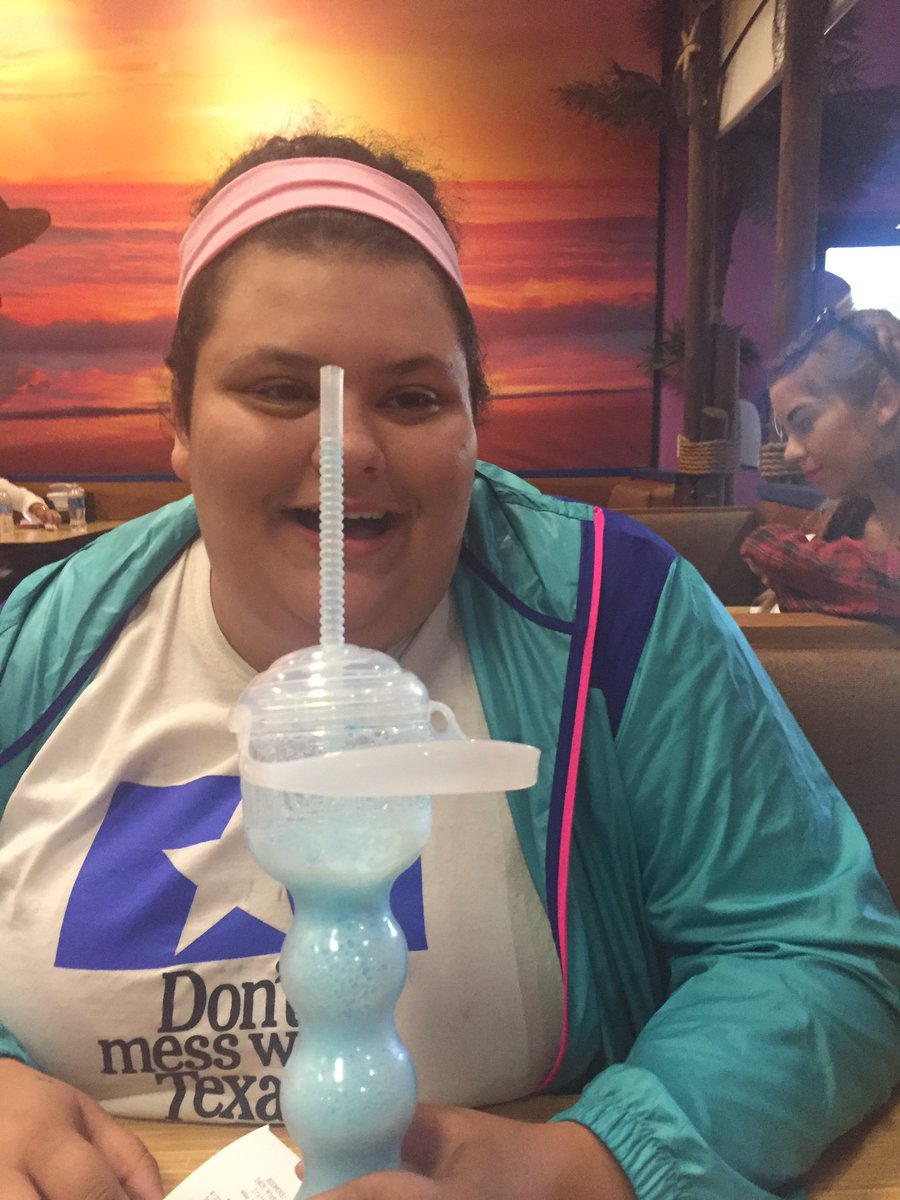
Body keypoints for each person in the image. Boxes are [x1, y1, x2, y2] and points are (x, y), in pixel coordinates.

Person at [0, 130, 898, 1200]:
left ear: (477, 423)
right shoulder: (35, 644)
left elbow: (814, 951)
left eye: (414, 398)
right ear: (180, 422)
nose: (348, 449)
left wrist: (596, 1162)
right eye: (279, 390)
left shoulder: (618, 614)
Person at [741, 308, 900, 622]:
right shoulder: (849, 519)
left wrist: (772, 550)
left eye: (805, 422)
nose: (790, 452)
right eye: (787, 433)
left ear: (883, 401)